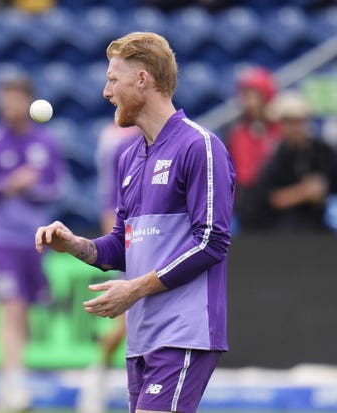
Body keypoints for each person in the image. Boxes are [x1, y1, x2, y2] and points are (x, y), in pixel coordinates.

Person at [35, 32, 236, 413]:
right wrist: (74, 244)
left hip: (184, 333)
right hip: (142, 338)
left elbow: (212, 241)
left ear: (142, 80)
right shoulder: (129, 158)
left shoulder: (200, 146)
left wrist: (133, 290)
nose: (106, 92)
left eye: (113, 80)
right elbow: (120, 247)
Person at [0, 74, 67, 412]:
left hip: (35, 239)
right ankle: (11, 389)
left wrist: (30, 187)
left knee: (24, 311)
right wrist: (8, 184)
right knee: (10, 307)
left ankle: (14, 376)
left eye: (15, 99)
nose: (9, 106)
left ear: (28, 102)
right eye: (4, 99)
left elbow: (56, 188)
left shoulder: (47, 143)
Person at [77, 123, 140, 413]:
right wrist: (121, 250)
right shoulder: (116, 143)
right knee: (128, 319)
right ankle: (96, 378)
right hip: (131, 241)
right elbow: (110, 201)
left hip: (155, 238)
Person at [257, 90, 337, 233]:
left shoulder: (324, 151)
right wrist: (304, 192)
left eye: (298, 121)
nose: (293, 128)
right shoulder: (276, 155)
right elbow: (271, 199)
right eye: (287, 122)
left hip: (322, 225)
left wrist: (321, 193)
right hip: (285, 227)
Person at [225, 66, 280, 232]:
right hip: (246, 203)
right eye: (246, 95)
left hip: (274, 201)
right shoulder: (236, 132)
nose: (249, 101)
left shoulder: (279, 130)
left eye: (254, 95)